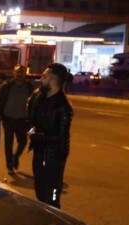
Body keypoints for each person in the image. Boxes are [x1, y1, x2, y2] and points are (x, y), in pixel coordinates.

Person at [27, 63, 74, 208]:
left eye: (44, 76)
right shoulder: (38, 97)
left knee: (53, 196)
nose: (40, 79)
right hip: (39, 152)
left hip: (54, 156)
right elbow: (30, 117)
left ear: (53, 81)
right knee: (40, 192)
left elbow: (60, 138)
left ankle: (56, 220)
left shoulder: (63, 107)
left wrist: (35, 136)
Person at [0, 64, 36, 176]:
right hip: (8, 119)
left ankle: (15, 157)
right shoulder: (6, 86)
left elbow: (34, 103)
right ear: (13, 73)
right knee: (8, 143)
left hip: (22, 120)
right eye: (17, 73)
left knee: (23, 141)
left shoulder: (29, 87)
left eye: (21, 73)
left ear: (25, 74)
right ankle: (9, 166)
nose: (19, 75)